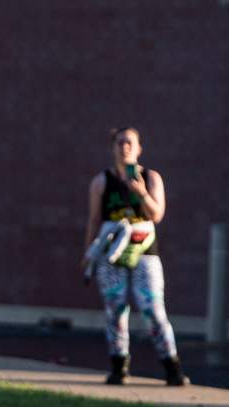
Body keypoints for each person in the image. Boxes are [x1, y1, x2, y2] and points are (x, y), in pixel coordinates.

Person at [83, 127, 188, 386]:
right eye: (120, 143)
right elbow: (94, 219)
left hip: (144, 251)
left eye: (130, 143)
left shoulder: (151, 178)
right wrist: (88, 253)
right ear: (113, 148)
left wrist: (141, 192)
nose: (125, 147)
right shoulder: (101, 182)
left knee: (152, 307)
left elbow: (157, 214)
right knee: (115, 308)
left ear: (139, 148)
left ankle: (171, 366)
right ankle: (119, 366)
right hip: (112, 252)